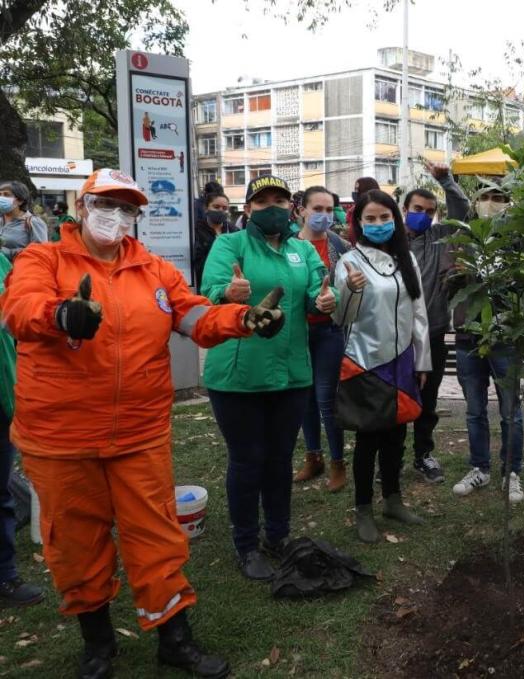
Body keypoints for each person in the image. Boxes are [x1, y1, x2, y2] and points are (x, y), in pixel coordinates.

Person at [0, 169, 287, 678]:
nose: (115, 215)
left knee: (156, 538)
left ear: (136, 215)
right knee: (74, 544)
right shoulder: (41, 258)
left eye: (127, 206)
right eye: (105, 203)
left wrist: (241, 320)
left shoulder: (153, 269)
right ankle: (98, 643)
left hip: (139, 432)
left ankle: (174, 638)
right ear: (83, 206)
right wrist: (62, 314)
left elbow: (194, 316)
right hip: (60, 437)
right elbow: (18, 309)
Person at [201, 174, 336, 581]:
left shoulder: (303, 250)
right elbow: (206, 290)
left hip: (292, 374)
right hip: (238, 376)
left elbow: (319, 289)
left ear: (291, 208)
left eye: (280, 200)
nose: (272, 207)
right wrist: (228, 292)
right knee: (247, 461)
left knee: (279, 460)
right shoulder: (230, 244)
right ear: (248, 210)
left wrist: (330, 298)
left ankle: (278, 536)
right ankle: (246, 544)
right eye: (262, 202)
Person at [332, 189, 430, 543]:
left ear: (395, 220)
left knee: (397, 434)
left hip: (402, 360)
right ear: (358, 223)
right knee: (368, 439)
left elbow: (418, 314)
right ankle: (363, 509)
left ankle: (393, 499)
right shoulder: (348, 263)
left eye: (384, 218)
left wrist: (422, 360)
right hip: (365, 362)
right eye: (370, 219)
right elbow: (340, 318)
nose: (378, 224)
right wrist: (351, 291)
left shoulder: (407, 259)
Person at [450, 184, 524, 504]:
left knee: (511, 411)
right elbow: (448, 280)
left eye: (499, 199)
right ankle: (479, 467)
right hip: (469, 334)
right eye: (485, 198)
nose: (491, 204)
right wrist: (457, 274)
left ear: (510, 204)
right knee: (474, 410)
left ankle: (512, 472)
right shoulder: (464, 239)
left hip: (506, 337)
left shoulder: (517, 242)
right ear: (475, 202)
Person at [404, 160, 470, 484]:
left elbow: (463, 213)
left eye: (429, 211)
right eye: (418, 208)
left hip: (437, 333)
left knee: (428, 399)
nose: (424, 215)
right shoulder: (389, 242)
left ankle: (423, 455)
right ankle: (389, 457)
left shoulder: (440, 236)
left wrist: (447, 181)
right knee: (396, 395)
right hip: (399, 336)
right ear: (405, 208)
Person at [292, 187, 352, 491]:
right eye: (317, 209)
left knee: (327, 398)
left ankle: (338, 462)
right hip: (299, 332)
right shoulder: (288, 247)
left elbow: (351, 290)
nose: (324, 216)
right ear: (301, 210)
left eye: (329, 210)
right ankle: (313, 457)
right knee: (305, 398)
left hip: (330, 331)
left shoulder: (340, 246)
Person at [0, 252, 43, 609]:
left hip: (3, 394)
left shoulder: (3, 262)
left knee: (1, 493)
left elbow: (17, 316)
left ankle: (5, 575)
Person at [192, 191, 236, 286]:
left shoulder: (234, 230)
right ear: (206, 208)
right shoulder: (195, 230)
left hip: (229, 283)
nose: (221, 210)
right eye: (216, 207)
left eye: (224, 208)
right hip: (204, 283)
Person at [0, 180, 48, 260]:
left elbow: (40, 252)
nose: (1, 198)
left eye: (6, 195)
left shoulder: (33, 222)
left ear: (20, 200)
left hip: (19, 271)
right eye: (0, 194)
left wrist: (6, 253)